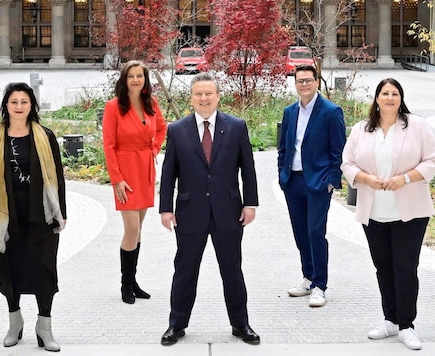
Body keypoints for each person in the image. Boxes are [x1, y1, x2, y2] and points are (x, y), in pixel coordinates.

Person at [159, 72, 260, 346]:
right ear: (191, 98)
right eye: (199, 94)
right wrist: (166, 208)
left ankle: (241, 325)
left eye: (209, 93)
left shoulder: (236, 126)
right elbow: (169, 173)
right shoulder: (177, 130)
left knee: (232, 270)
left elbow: (247, 169)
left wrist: (250, 203)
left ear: (217, 96)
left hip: (229, 211)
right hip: (190, 213)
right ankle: (176, 325)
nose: (204, 98)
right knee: (185, 271)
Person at [341, 78, 435, 350]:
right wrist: (364, 178)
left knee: (405, 268)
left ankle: (407, 325)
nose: (389, 98)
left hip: (410, 212)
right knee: (383, 267)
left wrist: (406, 178)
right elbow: (346, 163)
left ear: (400, 98)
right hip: (374, 212)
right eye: (384, 93)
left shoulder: (416, 125)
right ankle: (390, 319)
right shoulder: (362, 129)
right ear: (376, 98)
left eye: (394, 93)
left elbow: (433, 161)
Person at [0, 82, 66, 351]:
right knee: (9, 269)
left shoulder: (45, 136)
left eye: (24, 102)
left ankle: (44, 327)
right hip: (5, 218)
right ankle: (15, 322)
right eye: (14, 102)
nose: (19, 107)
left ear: (31, 106)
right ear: (6, 105)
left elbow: (58, 177)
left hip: (42, 217)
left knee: (44, 271)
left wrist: (62, 212)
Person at [277, 64, 346, 307]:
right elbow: (284, 147)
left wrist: (331, 181)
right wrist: (281, 176)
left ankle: (320, 285)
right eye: (300, 81)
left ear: (317, 82)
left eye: (308, 80)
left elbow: (339, 151)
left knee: (316, 232)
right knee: (300, 232)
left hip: (318, 183)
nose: (304, 84)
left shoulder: (331, 111)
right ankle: (307, 278)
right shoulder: (290, 112)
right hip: (293, 181)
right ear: (295, 84)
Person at [103, 60, 167, 304]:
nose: (136, 80)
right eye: (131, 76)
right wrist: (116, 179)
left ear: (145, 79)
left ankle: (133, 280)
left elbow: (161, 128)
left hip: (145, 168)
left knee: (138, 230)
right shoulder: (113, 107)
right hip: (125, 170)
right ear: (124, 79)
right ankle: (124, 285)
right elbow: (108, 145)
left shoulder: (151, 103)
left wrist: (154, 149)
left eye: (140, 76)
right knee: (131, 230)